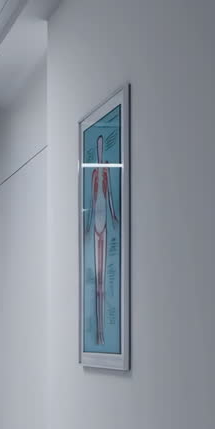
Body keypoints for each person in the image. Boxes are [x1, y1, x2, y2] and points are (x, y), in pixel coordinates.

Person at [88, 135, 121, 346]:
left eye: (101, 146)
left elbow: (108, 196)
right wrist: (87, 226)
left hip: (105, 225)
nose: (100, 149)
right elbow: (92, 202)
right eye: (98, 146)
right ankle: (99, 333)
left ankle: (101, 332)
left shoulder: (107, 168)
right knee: (96, 282)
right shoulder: (92, 173)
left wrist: (115, 216)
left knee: (102, 283)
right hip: (96, 228)